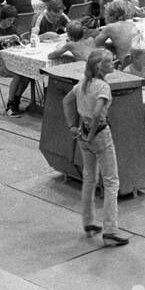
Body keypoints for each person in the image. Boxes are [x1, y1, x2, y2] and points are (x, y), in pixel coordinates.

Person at [62, 49, 128, 247]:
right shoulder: (103, 87)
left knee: (89, 177)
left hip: (82, 133)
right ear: (100, 66)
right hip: (99, 135)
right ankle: (110, 229)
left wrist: (72, 127)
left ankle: (88, 221)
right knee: (111, 181)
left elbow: (66, 101)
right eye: (109, 61)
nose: (114, 63)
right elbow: (98, 113)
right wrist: (92, 135)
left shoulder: (82, 84)